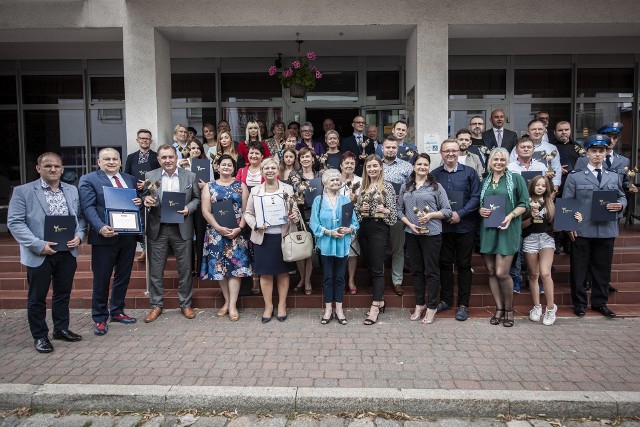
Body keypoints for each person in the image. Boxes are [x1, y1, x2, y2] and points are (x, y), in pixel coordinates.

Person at [8, 152, 86, 353]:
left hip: (67, 251)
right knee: (37, 297)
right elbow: (15, 223)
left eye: (57, 166)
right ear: (38, 168)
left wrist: (79, 235)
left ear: (62, 169)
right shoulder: (23, 191)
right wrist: (37, 244)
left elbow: (80, 217)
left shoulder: (71, 190)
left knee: (63, 293)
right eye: (48, 166)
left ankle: (61, 329)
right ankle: (40, 336)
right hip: (40, 252)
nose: (53, 169)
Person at [78, 147, 142, 335]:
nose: (112, 162)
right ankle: (99, 317)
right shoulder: (89, 180)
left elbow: (138, 200)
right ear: (99, 162)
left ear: (120, 161)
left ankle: (117, 311)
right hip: (105, 237)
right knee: (102, 278)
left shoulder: (129, 179)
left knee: (123, 276)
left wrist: (140, 200)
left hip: (128, 236)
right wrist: (100, 227)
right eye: (107, 159)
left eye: (115, 159)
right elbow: (87, 207)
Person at [563, 134, 626, 318]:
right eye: (594, 151)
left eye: (601, 151)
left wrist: (621, 205)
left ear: (606, 153)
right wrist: (568, 226)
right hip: (582, 229)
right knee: (579, 269)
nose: (598, 154)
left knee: (602, 268)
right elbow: (567, 201)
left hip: (606, 229)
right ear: (587, 153)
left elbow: (621, 196)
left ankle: (600, 302)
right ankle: (580, 303)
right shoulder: (575, 177)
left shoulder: (613, 176)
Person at [142, 144, 201, 323]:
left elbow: (197, 198)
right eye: (164, 157)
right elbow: (146, 195)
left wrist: (188, 209)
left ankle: (185, 304)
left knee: (184, 269)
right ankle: (156, 305)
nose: (167, 160)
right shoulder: (150, 176)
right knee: (156, 269)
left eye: (170, 157)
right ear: (159, 160)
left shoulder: (190, 176)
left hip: (181, 227)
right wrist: (147, 199)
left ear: (176, 158)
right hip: (158, 228)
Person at [244, 158, 300, 323]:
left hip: (283, 236)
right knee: (266, 274)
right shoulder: (255, 190)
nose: (270, 170)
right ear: (261, 171)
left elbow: (295, 210)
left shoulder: (288, 188)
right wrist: (256, 225)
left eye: (273, 168)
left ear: (278, 171)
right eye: (266, 168)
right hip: (264, 237)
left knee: (283, 272)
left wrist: (294, 215)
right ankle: (268, 306)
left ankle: (282, 305)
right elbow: (248, 213)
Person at [398, 153, 452, 324]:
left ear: (428, 167)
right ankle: (419, 304)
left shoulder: (436, 187)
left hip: (432, 234)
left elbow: (447, 211)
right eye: (419, 164)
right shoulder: (405, 187)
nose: (422, 167)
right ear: (413, 166)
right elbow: (399, 210)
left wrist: (430, 216)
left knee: (431, 271)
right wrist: (409, 224)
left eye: (425, 165)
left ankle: (432, 307)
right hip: (412, 233)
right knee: (416, 271)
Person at [478, 148, 528, 327]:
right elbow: (481, 204)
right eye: (495, 159)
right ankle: (499, 308)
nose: (498, 162)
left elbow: (524, 204)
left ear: (507, 161)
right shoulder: (485, 181)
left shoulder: (516, 179)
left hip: (507, 229)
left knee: (502, 272)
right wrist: (480, 210)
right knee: (491, 271)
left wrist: (510, 216)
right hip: (489, 230)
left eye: (502, 159)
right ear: (490, 161)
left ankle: (509, 309)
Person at [432, 139, 481, 321]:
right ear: (441, 153)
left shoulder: (470, 172)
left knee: (464, 265)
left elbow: (476, 197)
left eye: (454, 150)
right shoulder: (435, 175)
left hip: (464, 226)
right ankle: (445, 300)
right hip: (442, 228)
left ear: (459, 152)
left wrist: (460, 213)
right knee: (444, 264)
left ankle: (463, 304)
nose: (450, 154)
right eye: (447, 151)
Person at [521, 175, 578, 326]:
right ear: (532, 186)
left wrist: (575, 218)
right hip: (530, 239)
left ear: (547, 188)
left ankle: (551, 308)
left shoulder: (551, 203)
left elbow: (561, 222)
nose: (540, 187)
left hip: (547, 239)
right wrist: (532, 218)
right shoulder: (525, 202)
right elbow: (521, 226)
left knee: (545, 273)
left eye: (543, 185)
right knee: (533, 275)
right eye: (537, 185)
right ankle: (537, 307)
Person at [201, 154, 252, 321]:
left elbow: (246, 211)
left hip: (236, 233)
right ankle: (227, 301)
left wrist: (240, 228)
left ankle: (233, 304)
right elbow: (206, 211)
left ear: (233, 168)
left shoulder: (241, 185)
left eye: (230, 165)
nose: (226, 167)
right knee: (220, 268)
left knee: (235, 269)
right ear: (217, 167)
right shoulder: (209, 186)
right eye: (223, 164)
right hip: (216, 233)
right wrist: (218, 228)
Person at [310, 169, 359, 325]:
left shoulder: (346, 200)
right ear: (325, 182)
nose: (335, 183)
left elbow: (355, 222)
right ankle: (328, 309)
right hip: (325, 244)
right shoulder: (318, 200)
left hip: (342, 244)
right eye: (332, 180)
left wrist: (349, 229)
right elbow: (313, 223)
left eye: (338, 180)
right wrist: (328, 232)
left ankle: (339, 309)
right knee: (327, 277)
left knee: (339, 278)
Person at [355, 154, 397, 325]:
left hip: (379, 229)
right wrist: (360, 208)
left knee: (378, 268)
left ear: (381, 167)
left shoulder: (387, 187)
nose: (371, 169)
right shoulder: (362, 187)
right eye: (368, 166)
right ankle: (380, 300)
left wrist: (385, 211)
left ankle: (375, 307)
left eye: (374, 166)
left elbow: (394, 216)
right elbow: (356, 213)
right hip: (364, 229)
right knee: (371, 266)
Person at [381, 136, 413, 296]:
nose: (391, 150)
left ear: (398, 149)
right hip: (378, 213)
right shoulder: (374, 165)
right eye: (388, 147)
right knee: (378, 249)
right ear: (382, 149)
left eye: (394, 147)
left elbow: (414, 188)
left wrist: (402, 196)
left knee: (398, 249)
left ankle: (397, 281)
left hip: (398, 212)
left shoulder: (407, 167)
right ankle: (377, 281)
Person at [124, 129, 160, 262]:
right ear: (137, 140)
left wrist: (147, 184)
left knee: (151, 223)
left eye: (147, 138)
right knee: (140, 223)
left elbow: (160, 177)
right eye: (142, 138)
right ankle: (144, 250)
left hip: (152, 194)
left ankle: (152, 250)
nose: (144, 140)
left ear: (151, 141)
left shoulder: (156, 156)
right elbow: (127, 175)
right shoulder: (131, 157)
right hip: (136, 194)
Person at [289, 147, 320, 294]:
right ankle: (302, 278)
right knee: (300, 248)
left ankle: (307, 281)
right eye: (302, 157)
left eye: (308, 157)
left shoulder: (319, 175)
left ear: (313, 159)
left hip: (315, 214)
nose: (305, 159)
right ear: (299, 160)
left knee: (310, 249)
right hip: (299, 214)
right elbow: (290, 193)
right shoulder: (294, 175)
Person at [178, 140, 210, 277]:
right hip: (185, 203)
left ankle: (200, 268)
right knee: (187, 236)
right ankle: (189, 268)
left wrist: (206, 186)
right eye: (192, 148)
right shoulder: (182, 164)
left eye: (198, 148)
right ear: (187, 150)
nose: (195, 150)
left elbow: (213, 184)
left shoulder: (206, 164)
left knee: (201, 236)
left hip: (202, 202)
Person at [508, 119, 561, 194]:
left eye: (540, 129)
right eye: (533, 129)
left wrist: (554, 191)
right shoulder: (517, 148)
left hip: (541, 192)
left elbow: (557, 170)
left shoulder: (552, 148)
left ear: (544, 131)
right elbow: (511, 168)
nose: (537, 132)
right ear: (528, 132)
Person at [339, 152, 362, 295]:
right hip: (337, 220)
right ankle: (340, 280)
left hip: (354, 220)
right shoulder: (335, 179)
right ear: (341, 165)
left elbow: (366, 200)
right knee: (339, 251)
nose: (349, 165)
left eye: (352, 163)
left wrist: (357, 198)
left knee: (353, 251)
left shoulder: (360, 180)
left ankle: (351, 280)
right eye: (346, 163)